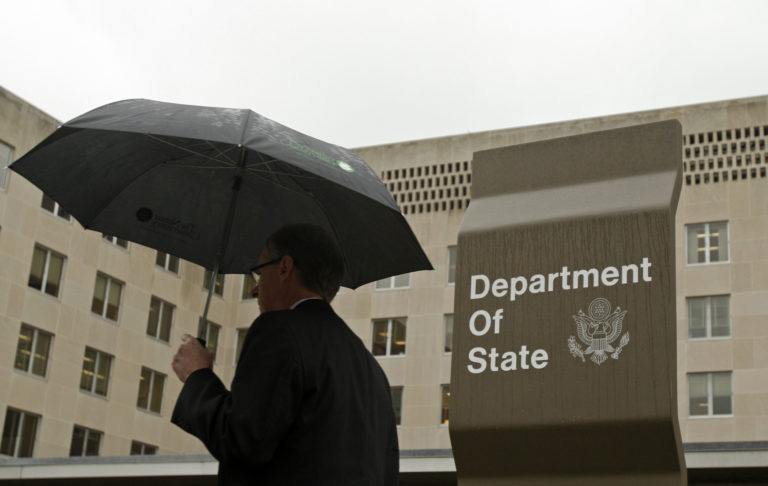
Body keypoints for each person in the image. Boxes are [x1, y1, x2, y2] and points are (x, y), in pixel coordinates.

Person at [171, 224, 399, 485]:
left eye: (258, 274)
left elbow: (242, 439)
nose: (254, 290)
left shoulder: (278, 331)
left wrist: (197, 375)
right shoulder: (372, 370)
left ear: (284, 267)